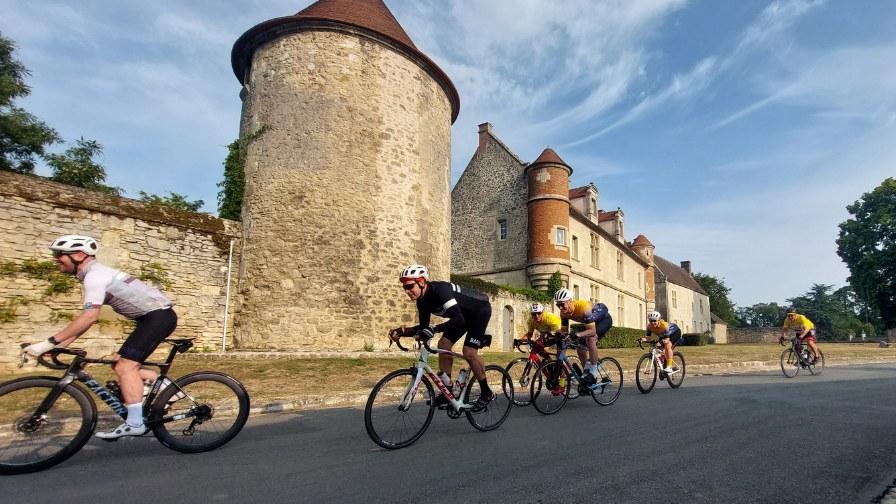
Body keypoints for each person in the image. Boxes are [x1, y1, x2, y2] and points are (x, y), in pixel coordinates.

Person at [21, 235, 177, 439]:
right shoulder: (93, 274)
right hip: (152, 318)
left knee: (125, 367)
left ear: (78, 255)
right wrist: (58, 346)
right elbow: (83, 323)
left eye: (60, 255)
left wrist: (46, 344)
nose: (56, 259)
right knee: (117, 362)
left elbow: (89, 318)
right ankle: (167, 388)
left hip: (157, 317)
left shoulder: (95, 276)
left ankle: (135, 422)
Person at [389, 264, 494, 412]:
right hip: (461, 317)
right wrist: (402, 331)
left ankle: (486, 392)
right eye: (404, 288)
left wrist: (435, 329)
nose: (407, 291)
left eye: (410, 286)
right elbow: (424, 327)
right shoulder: (422, 301)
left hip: (479, 312)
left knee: (469, 352)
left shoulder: (440, 291)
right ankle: (448, 390)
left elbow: (457, 319)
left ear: (421, 282)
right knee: (443, 344)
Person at [553, 287, 612, 386]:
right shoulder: (563, 313)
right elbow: (564, 331)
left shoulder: (583, 308)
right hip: (591, 322)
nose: (560, 308)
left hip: (603, 319)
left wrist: (577, 335)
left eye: (562, 304)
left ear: (569, 301)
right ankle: (586, 374)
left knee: (590, 339)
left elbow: (592, 331)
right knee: (580, 349)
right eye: (558, 305)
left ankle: (593, 372)